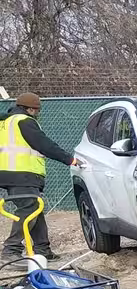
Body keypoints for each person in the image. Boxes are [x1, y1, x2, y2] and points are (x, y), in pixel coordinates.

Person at [0, 92, 80, 261]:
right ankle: (11, 249)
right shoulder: (25, 122)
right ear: (30, 109)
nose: (38, 114)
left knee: (35, 208)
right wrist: (69, 159)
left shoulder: (5, 122)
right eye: (37, 110)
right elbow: (45, 145)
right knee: (29, 208)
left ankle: (42, 249)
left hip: (8, 173)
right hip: (21, 173)